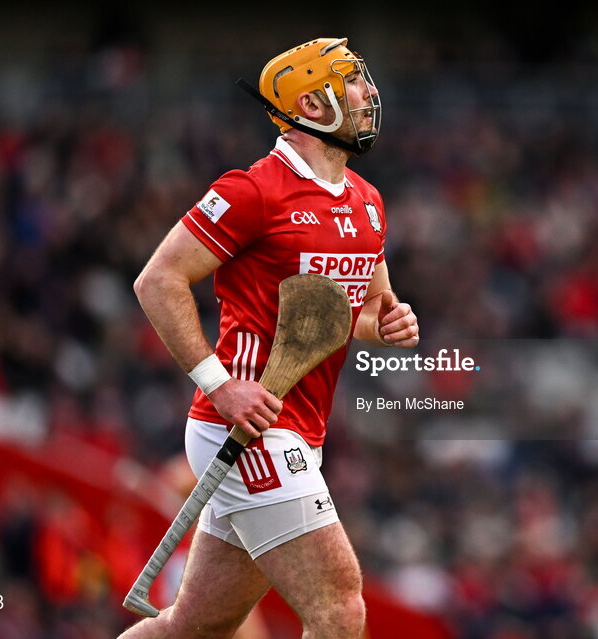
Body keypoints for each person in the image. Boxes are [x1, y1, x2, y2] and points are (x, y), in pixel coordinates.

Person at [120, 37, 419, 639]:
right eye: (353, 81)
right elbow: (158, 280)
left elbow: (358, 314)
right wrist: (220, 384)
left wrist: (388, 325)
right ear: (311, 104)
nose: (369, 94)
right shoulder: (251, 191)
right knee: (339, 607)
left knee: (195, 628)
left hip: (299, 430)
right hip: (245, 428)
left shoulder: (368, 202)